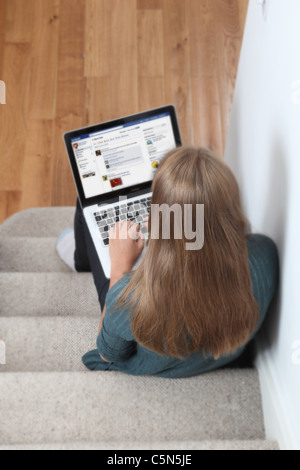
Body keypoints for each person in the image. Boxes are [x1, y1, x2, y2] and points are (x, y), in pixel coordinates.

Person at [57, 147, 279, 378]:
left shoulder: (129, 300)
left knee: (84, 205)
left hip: (154, 364)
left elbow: (108, 354)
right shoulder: (264, 254)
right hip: (220, 357)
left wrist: (119, 267)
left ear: (154, 220)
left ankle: (78, 261)